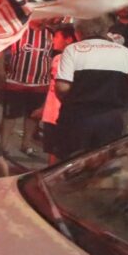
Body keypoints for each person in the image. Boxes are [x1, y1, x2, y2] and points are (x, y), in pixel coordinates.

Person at [53, 16, 128, 160]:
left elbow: (62, 87)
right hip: (110, 120)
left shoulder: (72, 50)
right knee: (104, 163)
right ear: (105, 30)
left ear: (78, 31)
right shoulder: (123, 52)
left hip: (76, 118)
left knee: (70, 163)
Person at [1, 20, 54, 157]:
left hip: (40, 83)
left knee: (33, 115)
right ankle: (2, 146)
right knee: (10, 115)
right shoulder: (19, 30)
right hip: (16, 81)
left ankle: (26, 144)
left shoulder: (51, 33)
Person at [40, 25, 77, 163]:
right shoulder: (57, 58)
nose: (53, 40)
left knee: (59, 150)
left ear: (68, 39)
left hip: (61, 114)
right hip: (51, 113)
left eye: (56, 37)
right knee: (52, 150)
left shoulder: (69, 59)